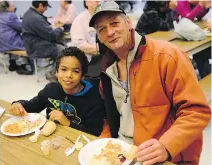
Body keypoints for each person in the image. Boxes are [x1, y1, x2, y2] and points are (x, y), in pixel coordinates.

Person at [89, 1, 211, 164]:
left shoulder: (166, 56)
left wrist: (166, 146)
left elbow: (196, 111)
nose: (110, 32)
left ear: (128, 23)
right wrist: (103, 143)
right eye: (102, 29)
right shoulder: (106, 70)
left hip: (160, 154)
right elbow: (110, 117)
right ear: (99, 37)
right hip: (122, 150)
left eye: (114, 23)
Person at [10, 47, 105, 136]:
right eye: (63, 69)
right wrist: (18, 104)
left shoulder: (93, 98)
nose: (68, 75)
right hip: (50, 137)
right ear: (56, 72)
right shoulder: (51, 90)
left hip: (76, 141)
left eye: (75, 71)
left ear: (82, 75)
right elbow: (32, 106)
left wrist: (68, 123)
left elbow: (94, 132)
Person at [22, 0, 65, 81]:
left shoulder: (28, 14)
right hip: (36, 47)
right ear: (41, 5)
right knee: (63, 51)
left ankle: (56, 67)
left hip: (32, 44)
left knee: (61, 45)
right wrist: (60, 29)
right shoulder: (36, 18)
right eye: (45, 7)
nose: (46, 10)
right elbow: (51, 35)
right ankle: (52, 74)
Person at [70, 0, 102, 80]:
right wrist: (103, 48)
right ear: (86, 3)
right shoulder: (79, 20)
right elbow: (81, 46)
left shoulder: (102, 17)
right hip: (89, 60)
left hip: (103, 56)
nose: (97, 1)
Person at [0, 0, 33, 75]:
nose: (15, 7)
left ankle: (12, 63)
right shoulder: (10, 16)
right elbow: (22, 27)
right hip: (10, 43)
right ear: (7, 8)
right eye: (12, 6)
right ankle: (23, 65)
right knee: (29, 42)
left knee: (15, 38)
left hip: (1, 44)